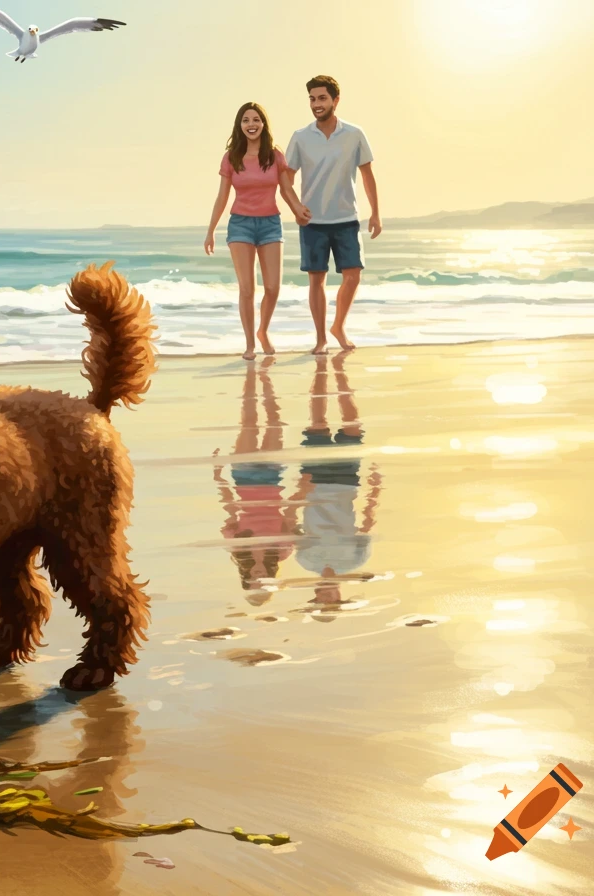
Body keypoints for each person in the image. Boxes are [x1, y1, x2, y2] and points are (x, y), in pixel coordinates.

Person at [283, 76, 381, 355]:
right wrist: (295, 207)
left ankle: (338, 326)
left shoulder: (354, 134)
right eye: (312, 99)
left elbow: (367, 176)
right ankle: (320, 339)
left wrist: (376, 213)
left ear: (335, 100)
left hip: (346, 218)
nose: (316, 104)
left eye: (322, 98)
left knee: (353, 275)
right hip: (312, 221)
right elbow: (285, 179)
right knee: (317, 279)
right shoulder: (301, 137)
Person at [205, 102, 310, 360]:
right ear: (239, 126)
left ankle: (263, 331)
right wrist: (211, 231)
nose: (251, 124)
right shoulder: (231, 157)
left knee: (273, 288)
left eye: (256, 119)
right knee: (247, 289)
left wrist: (298, 209)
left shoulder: (274, 155)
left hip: (270, 224)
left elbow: (286, 189)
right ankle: (250, 343)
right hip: (240, 224)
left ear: (263, 124)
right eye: (245, 120)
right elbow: (221, 197)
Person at [290, 351, 384, 619]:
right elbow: (367, 523)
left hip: (315, 483)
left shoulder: (306, 561)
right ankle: (340, 373)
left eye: (322, 599)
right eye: (331, 600)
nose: (327, 596)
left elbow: (291, 524)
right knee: (352, 427)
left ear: (316, 594)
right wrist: (374, 489)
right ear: (339, 597)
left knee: (317, 424)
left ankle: (321, 368)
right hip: (346, 484)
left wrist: (300, 491)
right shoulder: (355, 561)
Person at [213, 357, 298, 604]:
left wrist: (219, 477)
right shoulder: (282, 552)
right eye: (263, 585)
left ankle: (250, 375)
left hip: (244, 478)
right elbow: (291, 513)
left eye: (253, 585)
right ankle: (265, 376)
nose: (258, 580)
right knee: (274, 423)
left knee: (248, 423)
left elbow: (230, 508)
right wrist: (303, 481)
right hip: (273, 478)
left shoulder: (238, 549)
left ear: (246, 580)